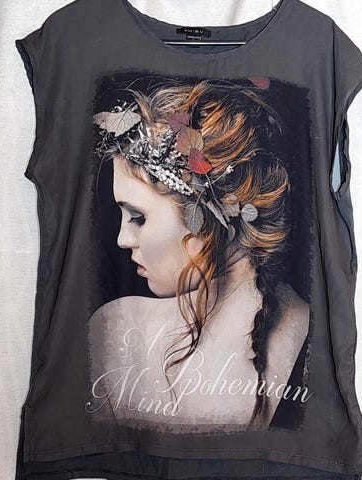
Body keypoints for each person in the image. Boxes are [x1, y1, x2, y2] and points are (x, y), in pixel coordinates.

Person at [86, 78, 310, 433]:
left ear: (206, 218)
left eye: (138, 217)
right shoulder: (114, 329)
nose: (123, 240)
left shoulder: (117, 329)